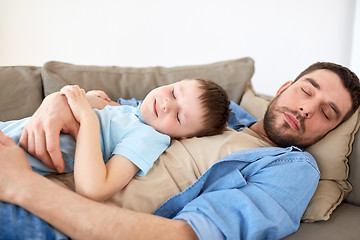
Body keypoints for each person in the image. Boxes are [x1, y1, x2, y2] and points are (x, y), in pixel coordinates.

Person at [0, 62, 359, 240]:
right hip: (30, 164)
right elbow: (120, 111)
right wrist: (54, 103)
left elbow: (185, 235)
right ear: (284, 87)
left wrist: (25, 188)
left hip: (56, 217)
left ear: (331, 129)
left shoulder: (292, 167)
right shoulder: (220, 111)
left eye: (327, 113)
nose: (306, 109)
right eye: (306, 92)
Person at [0, 78, 230, 201]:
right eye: (173, 92)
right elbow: (81, 103)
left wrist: (88, 117)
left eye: (179, 116)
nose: (167, 104)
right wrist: (90, 98)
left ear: (183, 137)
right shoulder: (132, 112)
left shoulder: (150, 137)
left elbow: (94, 189)